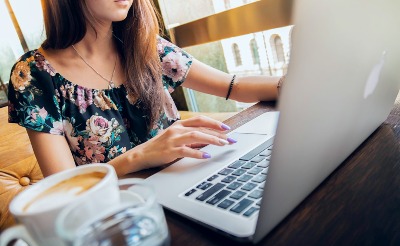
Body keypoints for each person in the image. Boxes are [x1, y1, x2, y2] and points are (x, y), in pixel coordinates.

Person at [7, 0, 282, 178]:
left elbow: (232, 86)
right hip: (118, 215)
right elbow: (64, 188)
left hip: (188, 181)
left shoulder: (146, 46)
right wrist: (140, 156)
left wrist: (294, 84)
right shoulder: (34, 74)